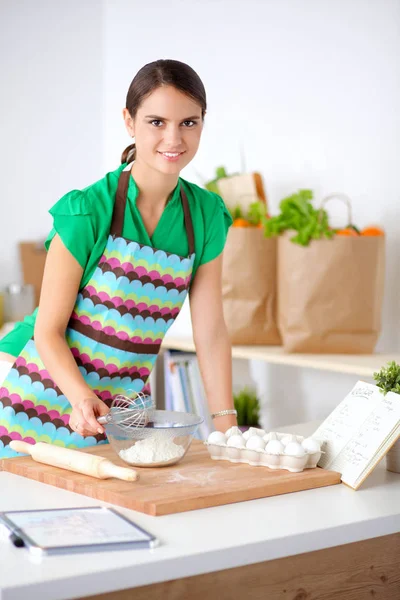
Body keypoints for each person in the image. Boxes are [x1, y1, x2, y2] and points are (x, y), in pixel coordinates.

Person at [0, 59, 238, 458]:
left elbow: (211, 332)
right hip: (31, 380)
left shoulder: (207, 215)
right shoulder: (88, 210)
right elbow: (48, 331)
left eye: (188, 123)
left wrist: (227, 429)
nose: (174, 138)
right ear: (130, 122)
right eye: (156, 122)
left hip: (119, 401)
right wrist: (80, 397)